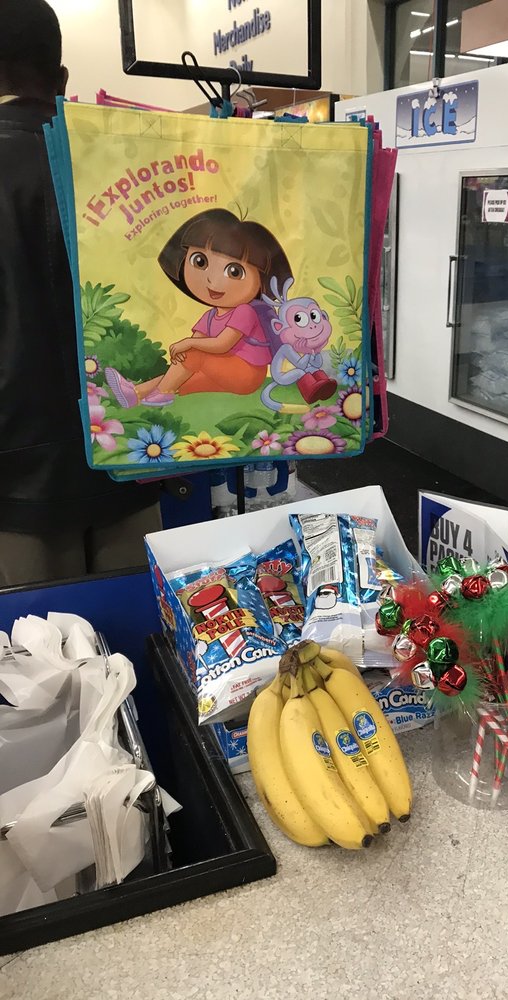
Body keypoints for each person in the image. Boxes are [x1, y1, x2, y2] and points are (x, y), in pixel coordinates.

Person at [0, 0, 162, 587]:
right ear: (63, 78)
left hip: (16, 482)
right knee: (142, 622)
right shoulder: (131, 161)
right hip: (134, 455)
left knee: (39, 639)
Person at [105, 208, 293, 407]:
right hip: (224, 369)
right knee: (183, 376)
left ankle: (163, 393)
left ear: (262, 279)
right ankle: (135, 393)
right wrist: (185, 351)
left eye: (234, 272)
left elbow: (222, 344)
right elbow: (196, 345)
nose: (213, 280)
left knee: (193, 354)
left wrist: (188, 345)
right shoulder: (210, 316)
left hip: (246, 373)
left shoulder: (245, 311)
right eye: (200, 262)